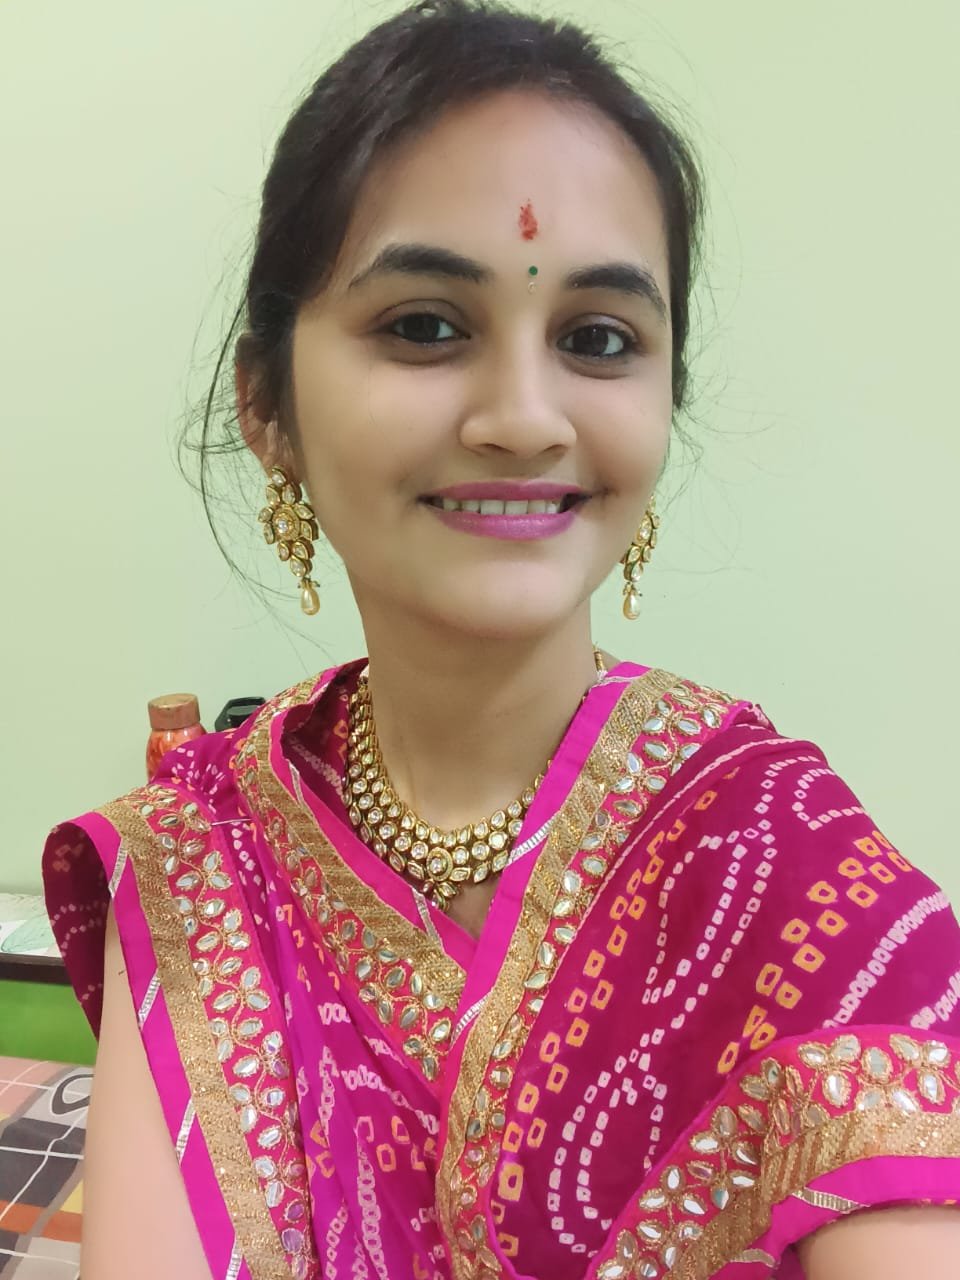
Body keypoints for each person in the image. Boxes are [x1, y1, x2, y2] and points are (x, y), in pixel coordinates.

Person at [42, 2, 960, 1277]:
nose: (527, 419)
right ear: (267, 406)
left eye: (598, 339)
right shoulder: (202, 856)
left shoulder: (785, 865)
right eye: (425, 324)